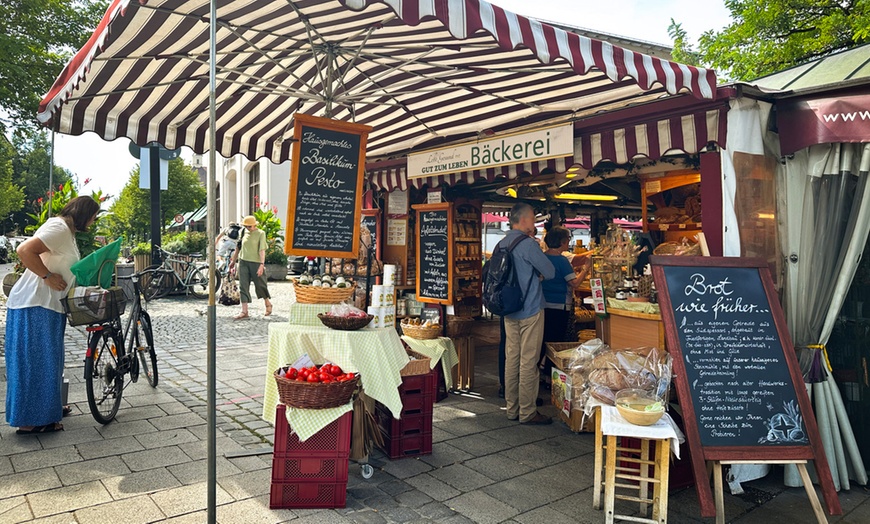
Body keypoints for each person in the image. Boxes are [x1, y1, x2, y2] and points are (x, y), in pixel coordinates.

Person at [5, 196, 101, 434]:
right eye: (93, 216)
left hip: (47, 305)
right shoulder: (58, 227)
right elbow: (24, 250)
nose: (93, 221)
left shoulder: (66, 231)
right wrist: (47, 276)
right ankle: (30, 422)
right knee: (36, 363)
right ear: (84, 213)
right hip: (35, 304)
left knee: (46, 362)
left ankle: (46, 411)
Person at [498, 202, 555, 425]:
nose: (534, 222)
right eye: (532, 218)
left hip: (509, 309)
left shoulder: (502, 243)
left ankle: (511, 409)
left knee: (512, 358)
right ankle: (527, 411)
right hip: (530, 308)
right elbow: (549, 271)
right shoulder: (528, 245)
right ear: (522, 220)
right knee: (528, 360)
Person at [540, 226, 592, 380]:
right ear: (562, 241)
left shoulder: (543, 257)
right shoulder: (562, 260)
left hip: (544, 304)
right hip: (559, 305)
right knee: (556, 341)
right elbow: (574, 283)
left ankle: (541, 371)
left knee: (544, 338)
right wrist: (585, 269)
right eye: (568, 239)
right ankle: (550, 373)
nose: (569, 242)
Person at [230, 215, 273, 319]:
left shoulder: (261, 233)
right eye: (246, 226)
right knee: (243, 286)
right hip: (243, 262)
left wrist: (261, 265)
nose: (248, 228)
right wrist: (233, 261)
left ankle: (268, 304)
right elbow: (238, 247)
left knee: (260, 285)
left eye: (249, 226)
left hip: (256, 262)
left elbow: (262, 250)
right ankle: (244, 311)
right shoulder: (243, 232)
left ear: (254, 225)